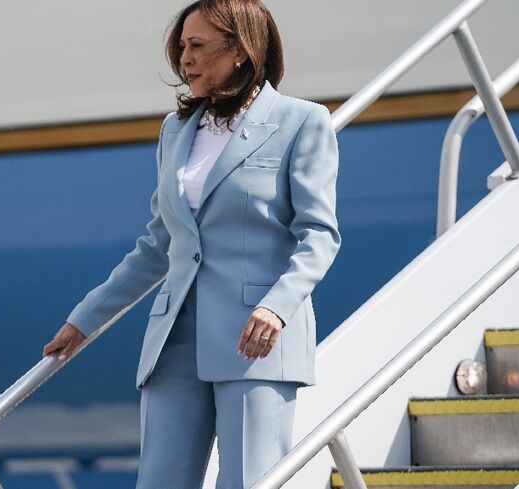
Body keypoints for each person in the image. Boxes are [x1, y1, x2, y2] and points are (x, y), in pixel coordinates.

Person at [43, 0, 340, 487]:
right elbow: (159, 245)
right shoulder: (175, 130)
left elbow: (320, 235)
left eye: (197, 46)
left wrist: (278, 307)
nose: (185, 59)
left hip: (255, 339)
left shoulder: (301, 122)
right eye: (181, 46)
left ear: (241, 50)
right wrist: (86, 319)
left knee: (248, 482)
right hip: (174, 339)